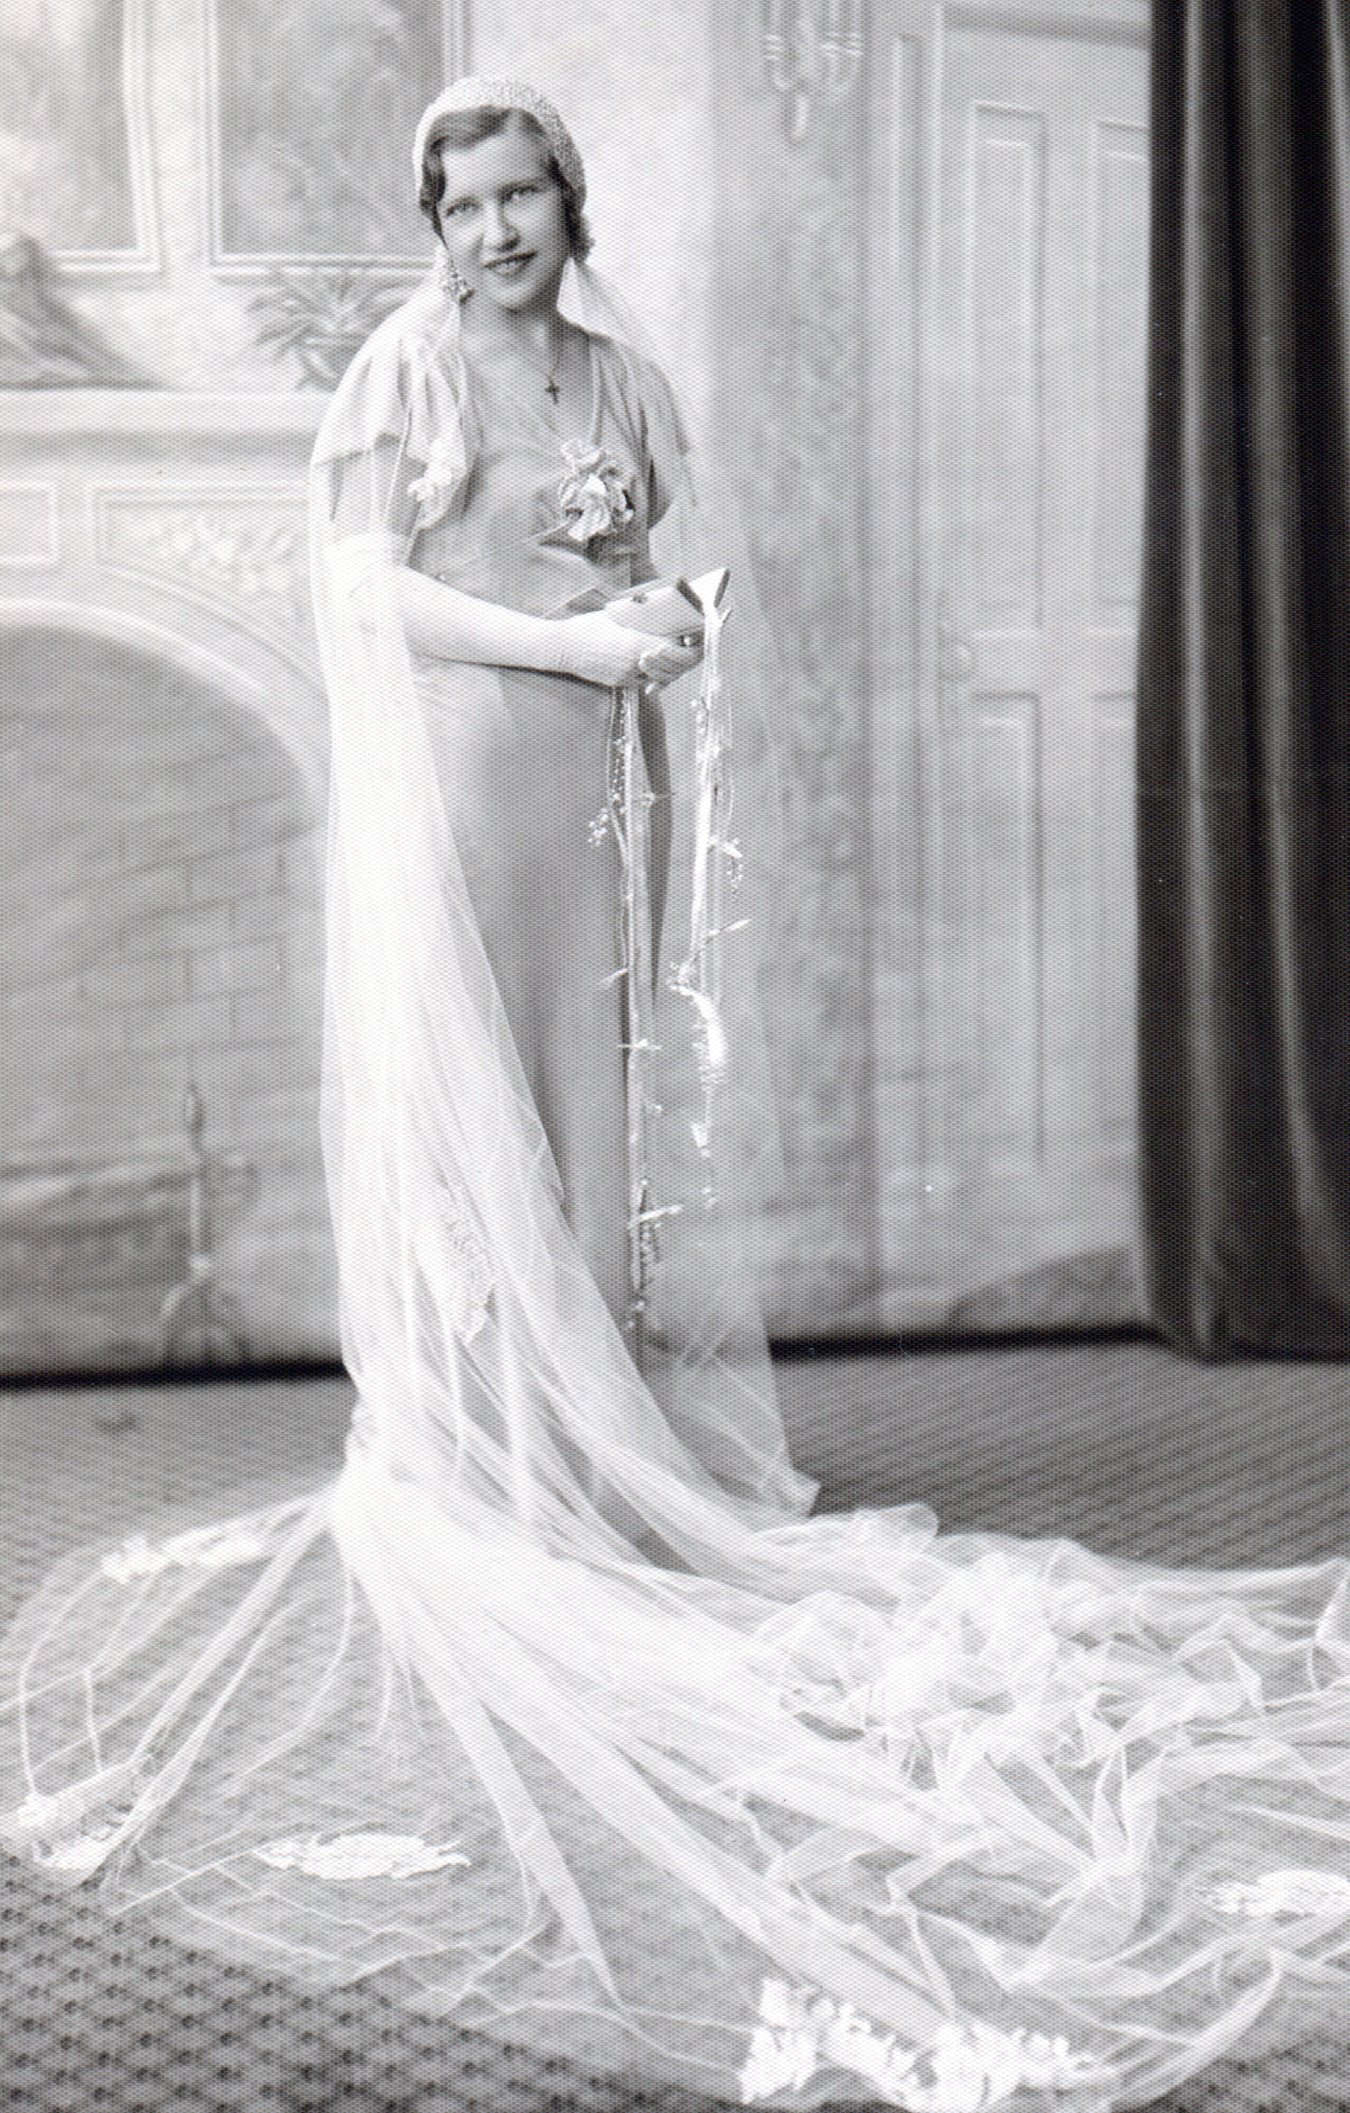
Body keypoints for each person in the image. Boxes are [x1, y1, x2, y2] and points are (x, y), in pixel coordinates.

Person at [5, 75, 1350, 2113]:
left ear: (570, 201)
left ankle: (592, 1447)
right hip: (475, 780)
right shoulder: (401, 371)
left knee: (600, 1110)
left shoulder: (622, 379)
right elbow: (364, 591)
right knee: (493, 1115)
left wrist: (662, 619)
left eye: (522, 195)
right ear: (432, 225)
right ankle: (493, 1470)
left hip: (599, 792)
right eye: (463, 205)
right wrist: (568, 649)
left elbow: (685, 567)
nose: (494, 232)